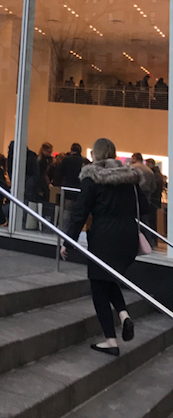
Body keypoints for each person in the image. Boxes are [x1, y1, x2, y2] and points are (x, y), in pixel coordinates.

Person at [62, 137, 147, 356]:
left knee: (98, 286)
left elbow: (80, 212)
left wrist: (68, 241)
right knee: (106, 280)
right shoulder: (129, 179)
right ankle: (124, 315)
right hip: (127, 238)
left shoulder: (92, 179)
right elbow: (145, 207)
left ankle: (110, 340)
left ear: (95, 155)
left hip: (103, 239)